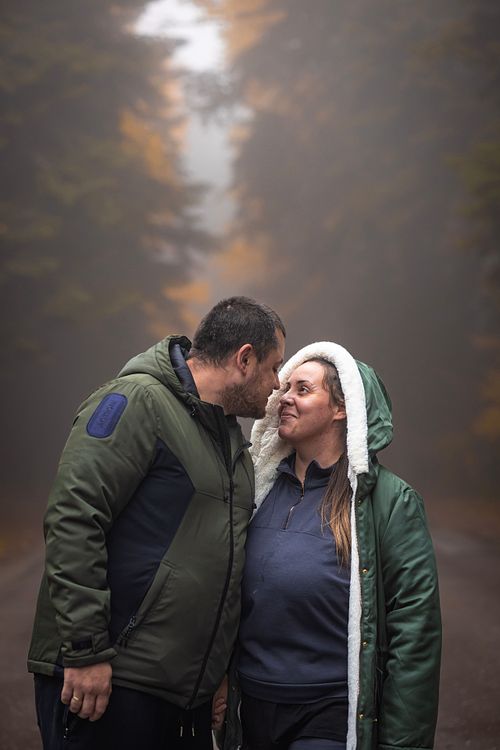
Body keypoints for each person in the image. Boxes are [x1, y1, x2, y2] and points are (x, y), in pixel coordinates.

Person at [28, 296, 286, 750]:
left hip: (182, 697)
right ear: (244, 359)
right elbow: (74, 517)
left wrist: (215, 675)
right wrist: (86, 652)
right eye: (274, 367)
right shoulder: (135, 402)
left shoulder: (231, 444)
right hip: (111, 680)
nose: (277, 383)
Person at [220, 341, 441, 750]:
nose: (283, 397)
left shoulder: (388, 502)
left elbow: (414, 630)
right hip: (251, 707)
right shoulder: (254, 490)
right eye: (285, 387)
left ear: (342, 407)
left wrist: (403, 742)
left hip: (331, 710)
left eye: (302, 389)